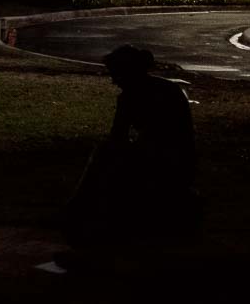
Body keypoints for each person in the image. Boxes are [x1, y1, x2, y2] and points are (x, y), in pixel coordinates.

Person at [63, 44, 199, 257]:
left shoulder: (137, 97)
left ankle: (85, 220)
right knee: (109, 159)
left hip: (167, 161)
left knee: (108, 164)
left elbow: (123, 138)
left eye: (115, 74)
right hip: (175, 158)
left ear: (126, 73)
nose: (113, 81)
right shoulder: (164, 90)